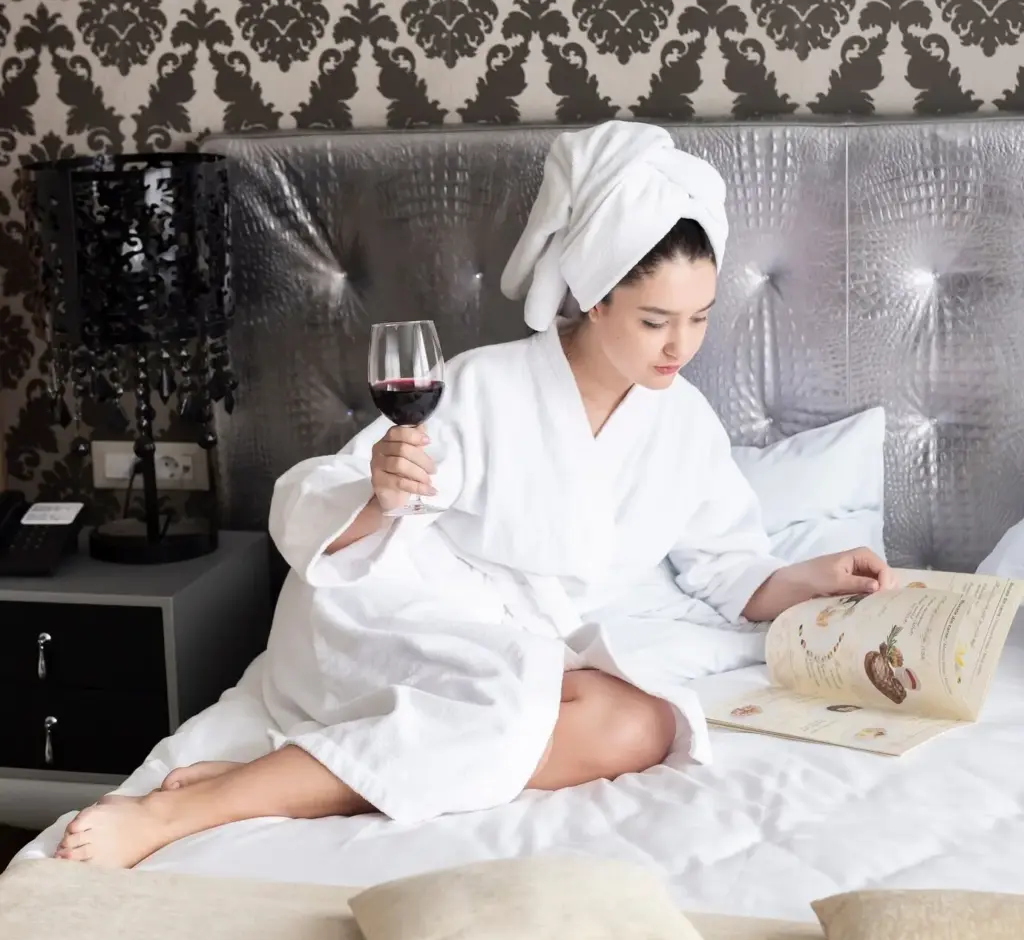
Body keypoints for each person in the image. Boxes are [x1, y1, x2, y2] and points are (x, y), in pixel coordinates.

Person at [54, 121, 893, 868]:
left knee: (642, 725)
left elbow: (725, 567)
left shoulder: (683, 423)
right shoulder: (485, 386)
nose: (682, 346)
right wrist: (381, 491)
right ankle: (184, 811)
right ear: (596, 298)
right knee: (518, 705)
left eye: (701, 318)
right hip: (396, 605)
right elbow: (321, 500)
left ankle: (297, 776)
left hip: (513, 643)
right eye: (655, 320)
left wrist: (811, 578)